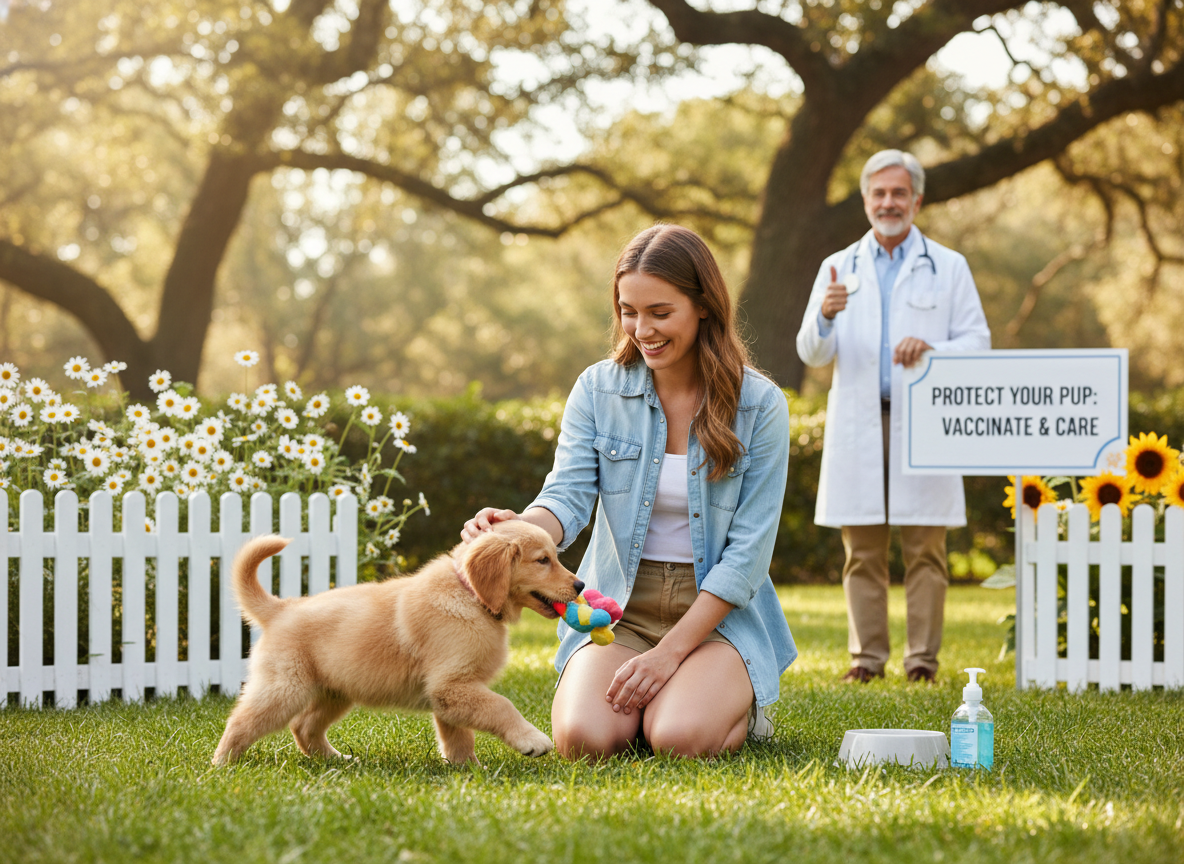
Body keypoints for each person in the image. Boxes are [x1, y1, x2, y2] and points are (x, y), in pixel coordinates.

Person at [462, 224, 795, 759]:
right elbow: (566, 497)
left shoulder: (760, 405)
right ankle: (662, 702)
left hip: (716, 618)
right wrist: (517, 531)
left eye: (661, 313)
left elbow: (749, 555)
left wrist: (670, 656)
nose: (642, 329)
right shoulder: (598, 388)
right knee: (584, 740)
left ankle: (726, 704)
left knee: (678, 739)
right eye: (629, 311)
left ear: (704, 306)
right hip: (615, 608)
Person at [795, 150, 991, 684]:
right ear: (865, 200)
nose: (889, 202)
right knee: (862, 549)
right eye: (879, 193)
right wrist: (826, 314)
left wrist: (931, 349)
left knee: (926, 547)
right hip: (860, 422)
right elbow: (811, 353)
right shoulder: (837, 268)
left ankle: (923, 661)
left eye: (899, 193)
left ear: (917, 200)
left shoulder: (948, 266)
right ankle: (867, 659)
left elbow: (978, 343)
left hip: (923, 421)